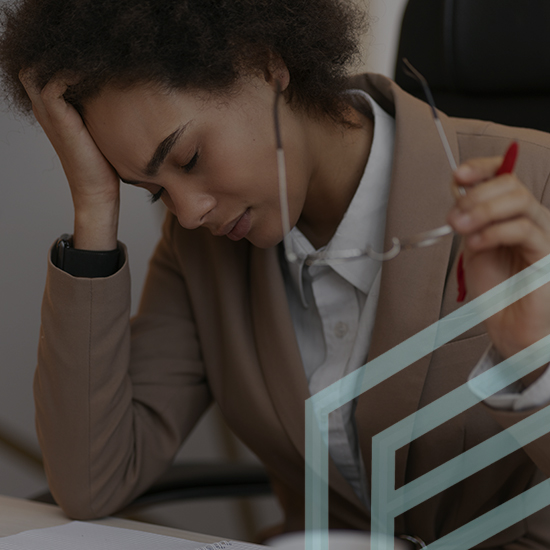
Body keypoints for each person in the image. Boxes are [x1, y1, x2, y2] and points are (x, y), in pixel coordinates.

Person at [2, 0, 550, 547]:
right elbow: (90, 483)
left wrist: (533, 360)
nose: (190, 212)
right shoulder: (201, 253)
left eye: (189, 157)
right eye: (156, 194)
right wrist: (95, 205)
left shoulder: (535, 189)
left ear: (265, 65)